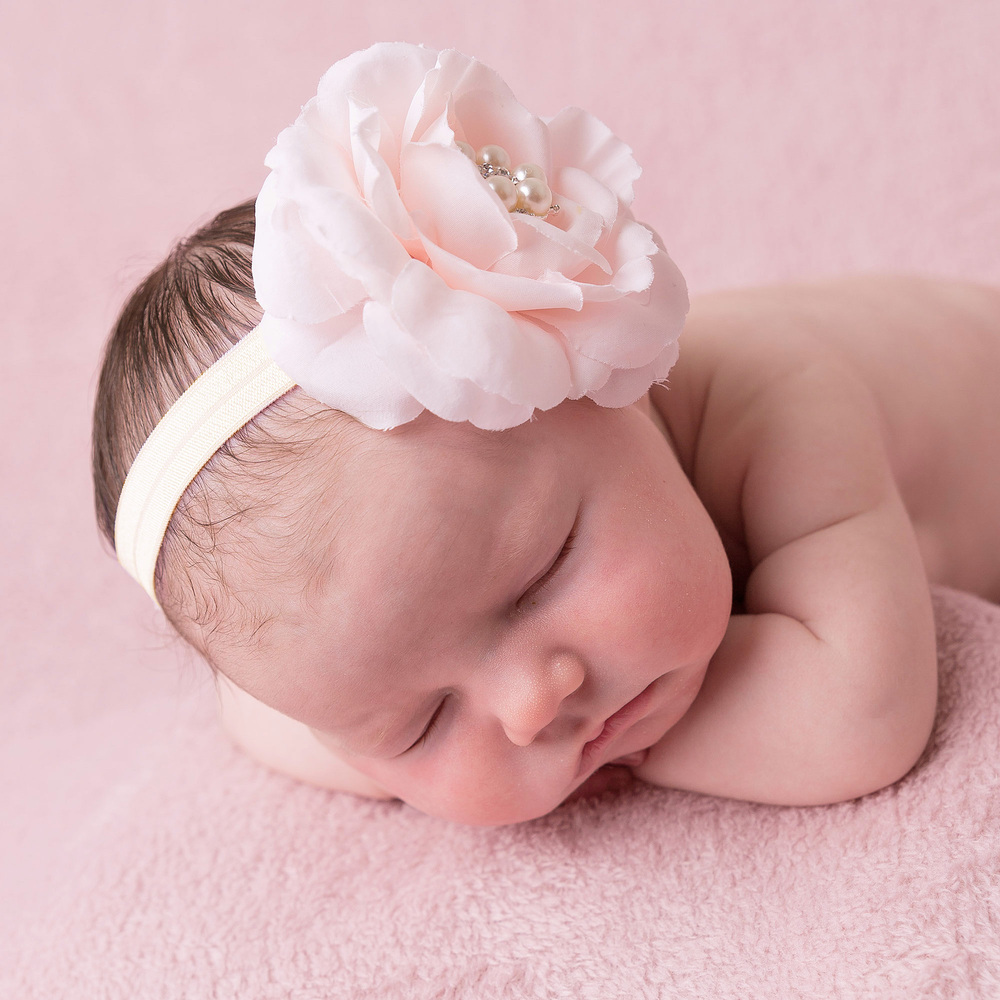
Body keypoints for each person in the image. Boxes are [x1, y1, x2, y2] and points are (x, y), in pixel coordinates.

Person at [92, 43, 1000, 826]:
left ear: (600, 379)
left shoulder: (783, 397)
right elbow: (263, 714)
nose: (532, 707)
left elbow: (857, 717)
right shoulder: (387, 625)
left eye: (538, 576)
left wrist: (613, 761)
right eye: (421, 723)